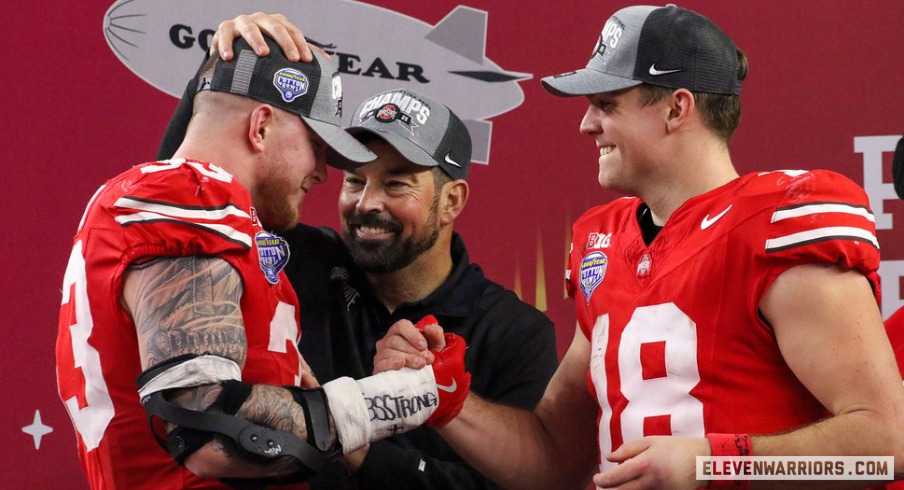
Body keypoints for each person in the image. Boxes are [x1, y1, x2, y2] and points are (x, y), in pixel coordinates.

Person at [367, 5, 904, 489]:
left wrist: (711, 465)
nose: (586, 124)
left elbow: (888, 447)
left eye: (606, 104)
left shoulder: (776, 223)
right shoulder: (603, 241)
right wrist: (445, 399)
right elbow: (554, 460)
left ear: (676, 109)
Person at [55, 35, 470, 489]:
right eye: (315, 144)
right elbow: (206, 426)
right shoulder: (191, 197)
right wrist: (395, 400)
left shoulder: (193, 208)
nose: (322, 172)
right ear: (261, 127)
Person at [157, 21, 559, 487]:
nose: (367, 203)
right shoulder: (298, 260)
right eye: (355, 180)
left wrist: (355, 437)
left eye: (396, 183)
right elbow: (187, 207)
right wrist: (217, 76)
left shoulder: (516, 334)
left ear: (452, 201)